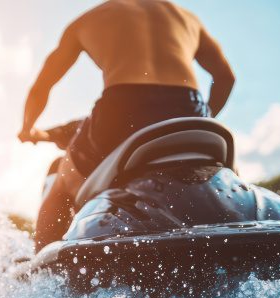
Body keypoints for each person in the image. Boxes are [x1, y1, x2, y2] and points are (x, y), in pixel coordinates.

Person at [18, 0, 236, 251]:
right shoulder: (186, 17)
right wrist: (200, 120)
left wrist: (28, 128)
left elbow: (40, 88)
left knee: (61, 186)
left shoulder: (88, 19)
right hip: (188, 108)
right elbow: (226, 77)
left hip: (122, 108)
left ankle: (43, 270)